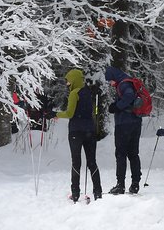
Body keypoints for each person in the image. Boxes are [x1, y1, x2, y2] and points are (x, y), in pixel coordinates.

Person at [56, 68, 103, 202]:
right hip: (90, 131)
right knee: (92, 162)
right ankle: (98, 192)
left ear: (74, 80)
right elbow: (93, 111)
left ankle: (75, 194)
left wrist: (56, 114)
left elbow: (70, 113)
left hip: (76, 131)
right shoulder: (89, 92)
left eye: (69, 81)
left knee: (76, 163)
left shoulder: (74, 94)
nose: (67, 84)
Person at [103, 66, 143, 195]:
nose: (110, 83)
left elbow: (129, 96)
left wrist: (117, 107)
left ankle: (120, 185)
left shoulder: (123, 85)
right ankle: (135, 184)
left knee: (120, 154)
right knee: (133, 154)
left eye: (110, 81)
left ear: (114, 77)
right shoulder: (128, 81)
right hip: (136, 122)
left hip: (124, 123)